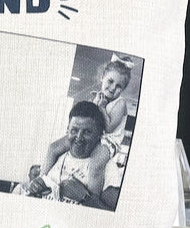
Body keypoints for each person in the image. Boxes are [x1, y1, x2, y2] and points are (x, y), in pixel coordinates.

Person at [41, 56, 133, 194]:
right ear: (102, 77)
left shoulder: (120, 103)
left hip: (109, 141)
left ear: (123, 89)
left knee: (95, 165)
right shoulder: (99, 96)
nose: (113, 88)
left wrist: (101, 107)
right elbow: (89, 119)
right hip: (93, 135)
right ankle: (40, 181)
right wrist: (94, 103)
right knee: (53, 148)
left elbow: (109, 128)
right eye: (110, 81)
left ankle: (92, 197)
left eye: (119, 86)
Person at [25, 101, 110, 208]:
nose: (79, 137)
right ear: (67, 129)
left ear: (99, 135)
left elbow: (114, 214)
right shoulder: (55, 155)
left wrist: (85, 198)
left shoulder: (106, 167)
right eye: (74, 130)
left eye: (87, 132)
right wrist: (34, 187)